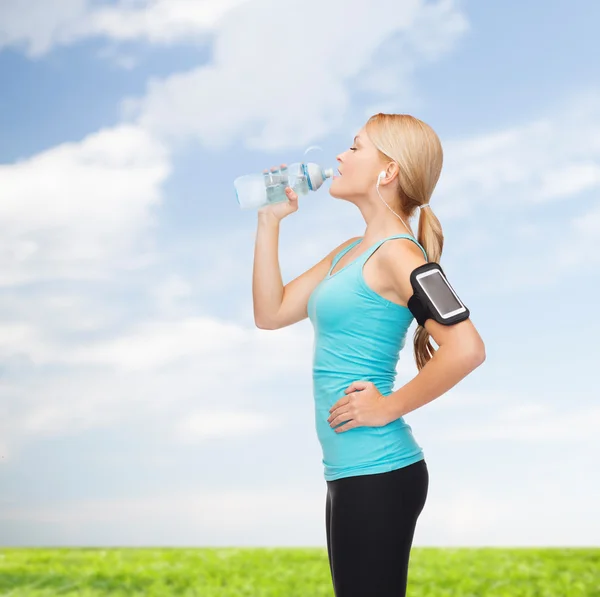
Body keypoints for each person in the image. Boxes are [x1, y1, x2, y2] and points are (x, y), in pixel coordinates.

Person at [252, 113, 486, 596]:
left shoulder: (401, 255)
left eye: (355, 148)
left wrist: (387, 406)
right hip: (347, 472)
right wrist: (268, 221)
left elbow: (466, 348)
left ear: (388, 171)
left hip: (379, 471)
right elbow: (270, 313)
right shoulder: (347, 253)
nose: (340, 156)